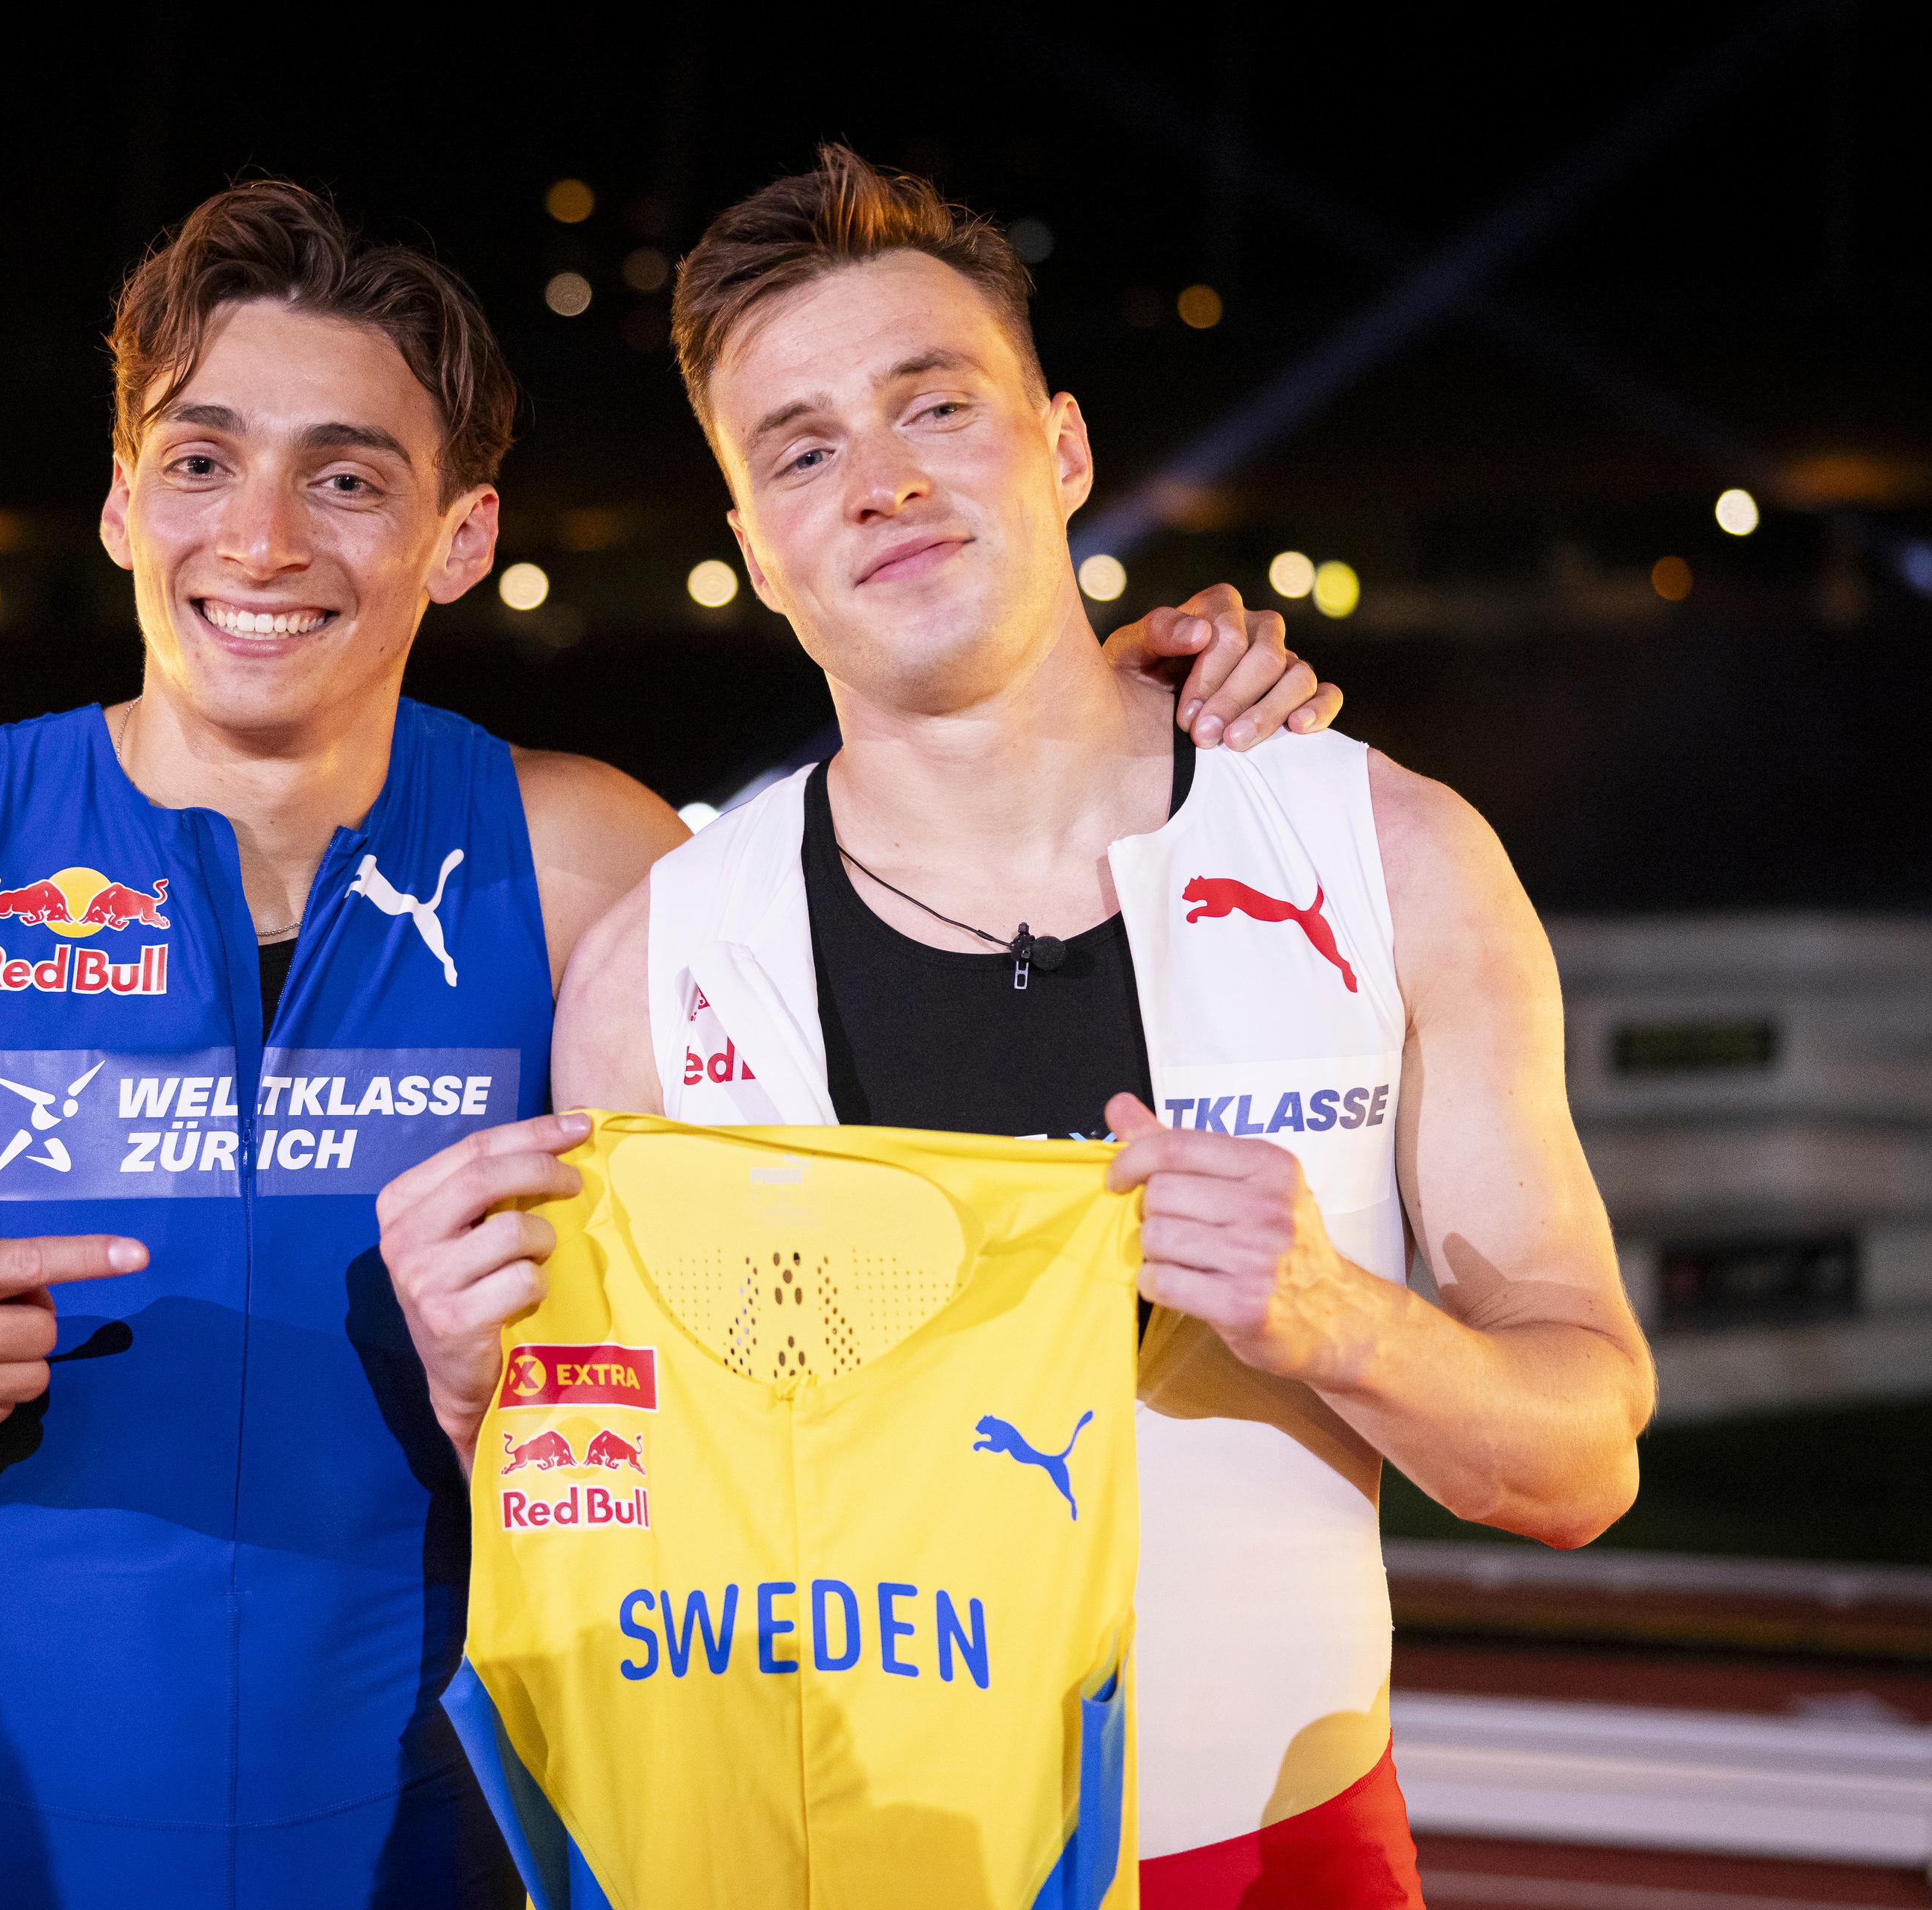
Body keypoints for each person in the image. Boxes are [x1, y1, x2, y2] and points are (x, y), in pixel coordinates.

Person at [0, 175, 1336, 1906]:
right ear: (121, 504)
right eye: (202, 461)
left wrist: (1158, 691)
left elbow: (924, 832)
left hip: (470, 1849)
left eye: (348, 479)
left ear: (462, 536)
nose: (261, 540)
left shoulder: (588, 863)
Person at [382, 147, 1655, 1906]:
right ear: (755, 547)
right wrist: (480, 1403)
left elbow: (1584, 1458)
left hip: (1273, 1851)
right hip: (838, 1864)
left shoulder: (1389, 856)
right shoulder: (668, 965)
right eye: (805, 449)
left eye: (934, 407)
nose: (882, 484)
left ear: (1059, 447)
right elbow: (622, 1531)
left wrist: (1337, 1317)